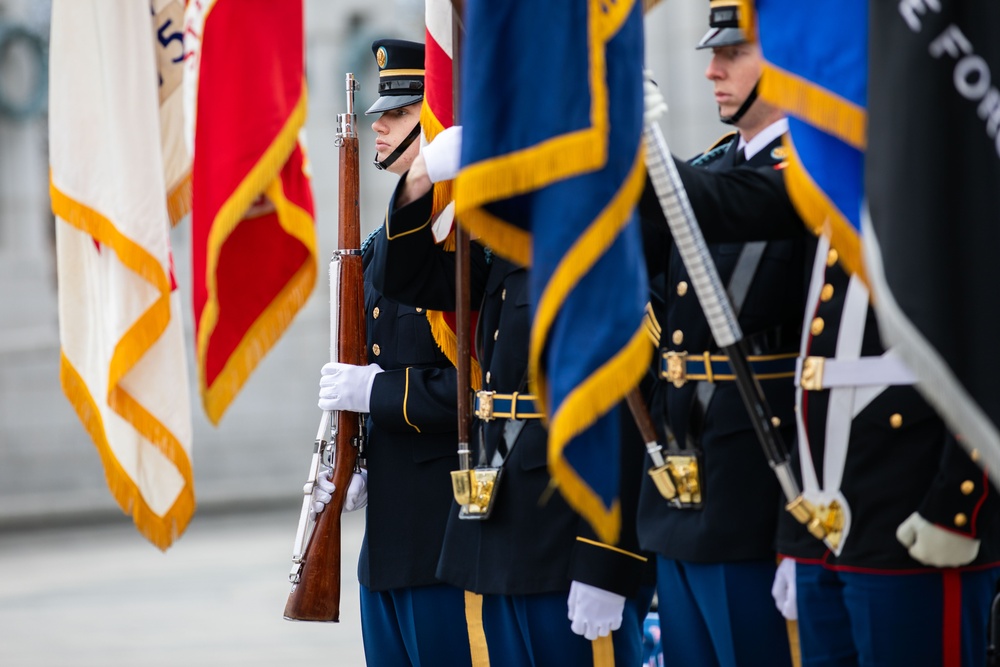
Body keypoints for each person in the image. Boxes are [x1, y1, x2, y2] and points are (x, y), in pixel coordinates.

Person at [645, 17, 1000, 666]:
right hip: (825, 514)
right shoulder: (831, 173)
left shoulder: (964, 176)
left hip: (912, 508)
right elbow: (733, 202)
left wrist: (959, 504)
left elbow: (985, 347)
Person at [367, 102, 655, 666]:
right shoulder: (510, 254)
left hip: (568, 537)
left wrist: (607, 559)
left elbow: (629, 407)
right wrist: (421, 174)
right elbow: (402, 275)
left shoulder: (601, 248)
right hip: (496, 530)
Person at [635, 3, 805, 664]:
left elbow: (713, 201)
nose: (712, 71)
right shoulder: (714, 165)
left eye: (734, 53)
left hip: (756, 500)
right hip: (678, 489)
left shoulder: (812, 172)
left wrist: (629, 133)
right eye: (713, 53)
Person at [311, 39, 474, 667]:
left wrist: (372, 393)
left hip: (442, 535)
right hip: (385, 541)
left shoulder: (459, 238)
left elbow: (473, 384)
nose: (379, 123)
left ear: (434, 124)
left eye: (399, 114)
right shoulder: (382, 243)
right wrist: (355, 454)